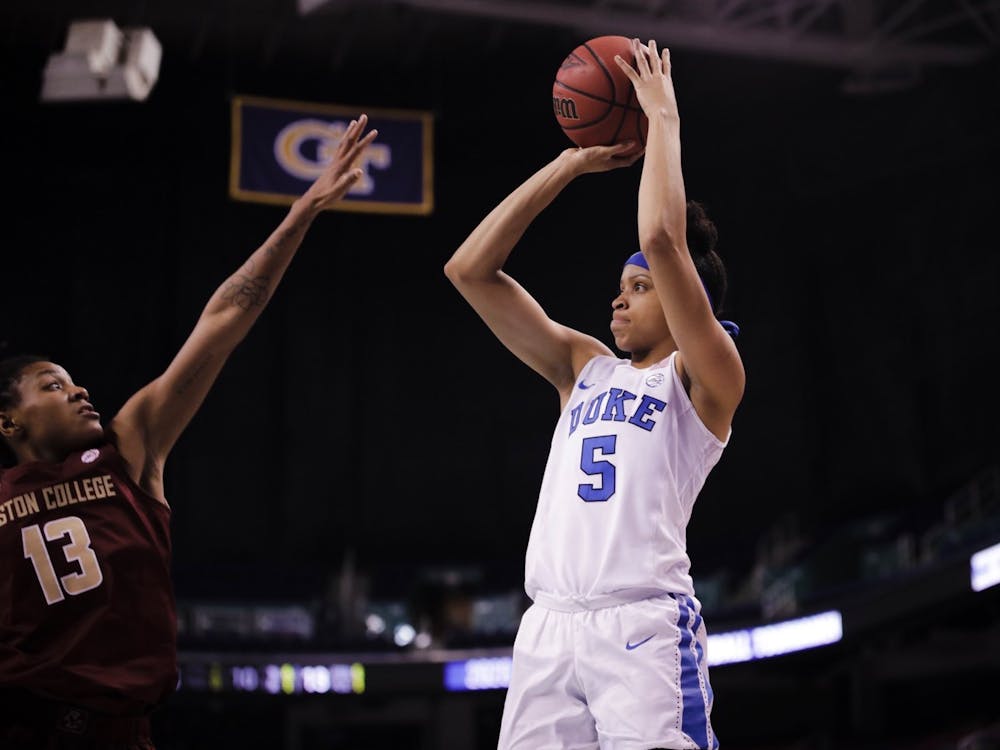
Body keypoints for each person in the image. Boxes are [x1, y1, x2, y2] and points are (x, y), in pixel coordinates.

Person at [0, 114, 378, 749]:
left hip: (123, 732)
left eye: (73, 380)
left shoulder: (126, 449)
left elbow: (225, 318)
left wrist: (302, 214)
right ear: (8, 421)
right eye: (53, 385)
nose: (80, 390)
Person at [444, 40, 744, 750]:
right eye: (621, 285)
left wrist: (661, 119)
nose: (619, 299)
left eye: (639, 288)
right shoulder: (585, 367)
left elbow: (662, 239)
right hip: (548, 626)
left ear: (683, 303)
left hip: (640, 629)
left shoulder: (708, 376)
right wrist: (569, 164)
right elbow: (469, 270)